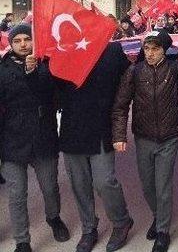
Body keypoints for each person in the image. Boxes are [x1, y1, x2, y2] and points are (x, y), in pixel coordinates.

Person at [112, 30, 178, 252]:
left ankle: (162, 231)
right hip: (144, 136)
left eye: (155, 48)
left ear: (164, 49)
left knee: (163, 185)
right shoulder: (135, 71)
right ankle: (158, 217)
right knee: (148, 185)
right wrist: (119, 136)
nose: (149, 53)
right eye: (146, 48)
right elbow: (121, 105)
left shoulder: (175, 68)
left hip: (170, 135)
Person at [0, 24, 70, 252]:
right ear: (10, 44)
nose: (23, 44)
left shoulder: (46, 64)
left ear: (34, 41)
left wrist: (34, 72)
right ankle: (22, 239)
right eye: (17, 40)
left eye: (27, 39)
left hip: (43, 136)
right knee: (17, 194)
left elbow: (53, 95)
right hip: (12, 139)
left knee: (49, 187)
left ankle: (54, 218)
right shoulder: (2, 69)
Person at [58, 43, 134, 252]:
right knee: (80, 184)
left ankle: (121, 222)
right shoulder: (61, 48)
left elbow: (129, 78)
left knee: (105, 181)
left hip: (101, 127)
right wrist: (34, 68)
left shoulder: (111, 50)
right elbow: (49, 88)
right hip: (72, 129)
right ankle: (89, 228)